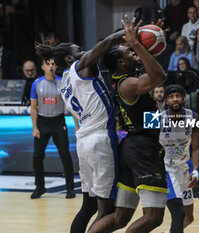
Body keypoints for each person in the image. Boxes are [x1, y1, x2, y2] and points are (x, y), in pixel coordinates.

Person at [35, 27, 127, 232]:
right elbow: (102, 47)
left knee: (89, 205)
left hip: (84, 143)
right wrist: (124, 34)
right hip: (101, 140)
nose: (84, 50)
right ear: (69, 58)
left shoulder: (65, 80)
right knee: (107, 210)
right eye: (78, 49)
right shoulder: (80, 67)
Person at [88, 17, 168, 233]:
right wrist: (135, 43)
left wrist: (151, 39)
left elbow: (151, 69)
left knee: (120, 218)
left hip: (132, 148)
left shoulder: (123, 78)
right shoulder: (128, 84)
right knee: (153, 217)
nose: (135, 54)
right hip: (143, 149)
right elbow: (159, 76)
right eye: (131, 53)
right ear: (121, 63)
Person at [29, 57, 75, 199]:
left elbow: (71, 105)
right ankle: (40, 187)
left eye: (53, 64)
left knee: (65, 155)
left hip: (58, 121)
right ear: (42, 67)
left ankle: (70, 188)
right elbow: (33, 107)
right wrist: (35, 127)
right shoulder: (37, 83)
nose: (51, 66)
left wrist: (77, 125)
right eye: (48, 64)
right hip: (42, 122)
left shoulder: (62, 82)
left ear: (56, 67)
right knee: (37, 156)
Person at [159, 84, 199, 233]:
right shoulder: (157, 118)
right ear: (166, 101)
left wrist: (195, 171)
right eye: (171, 97)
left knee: (189, 218)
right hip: (165, 169)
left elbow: (196, 148)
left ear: (183, 98)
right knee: (179, 212)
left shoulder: (193, 117)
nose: (175, 99)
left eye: (178, 96)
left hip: (183, 169)